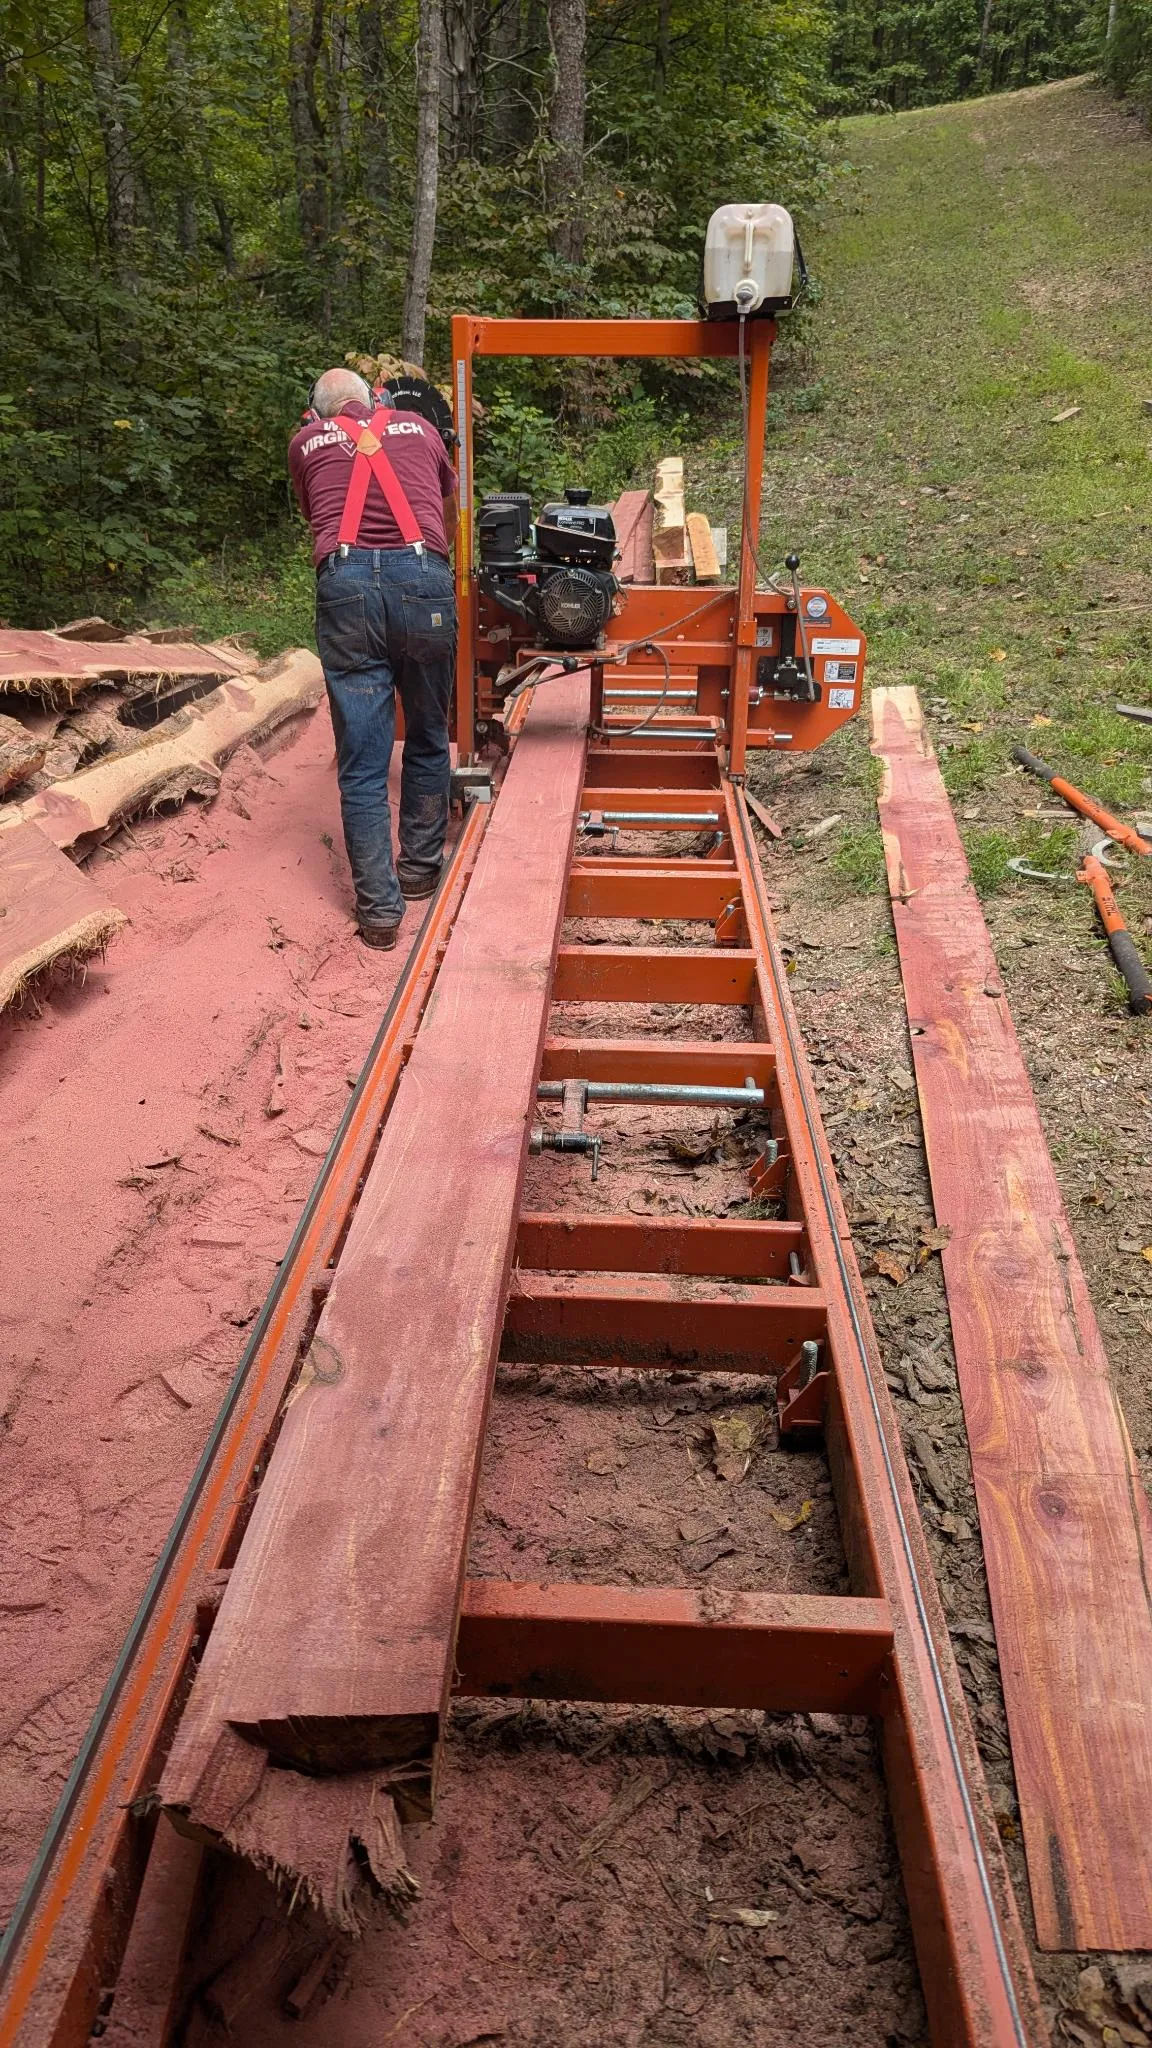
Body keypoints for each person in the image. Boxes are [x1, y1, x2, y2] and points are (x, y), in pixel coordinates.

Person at [288, 366, 459, 948]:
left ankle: (381, 916)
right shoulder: (420, 427)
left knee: (362, 762)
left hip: (346, 588)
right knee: (430, 734)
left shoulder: (304, 442)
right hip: (424, 582)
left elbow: (313, 510)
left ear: (317, 414)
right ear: (374, 399)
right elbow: (446, 501)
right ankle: (418, 871)